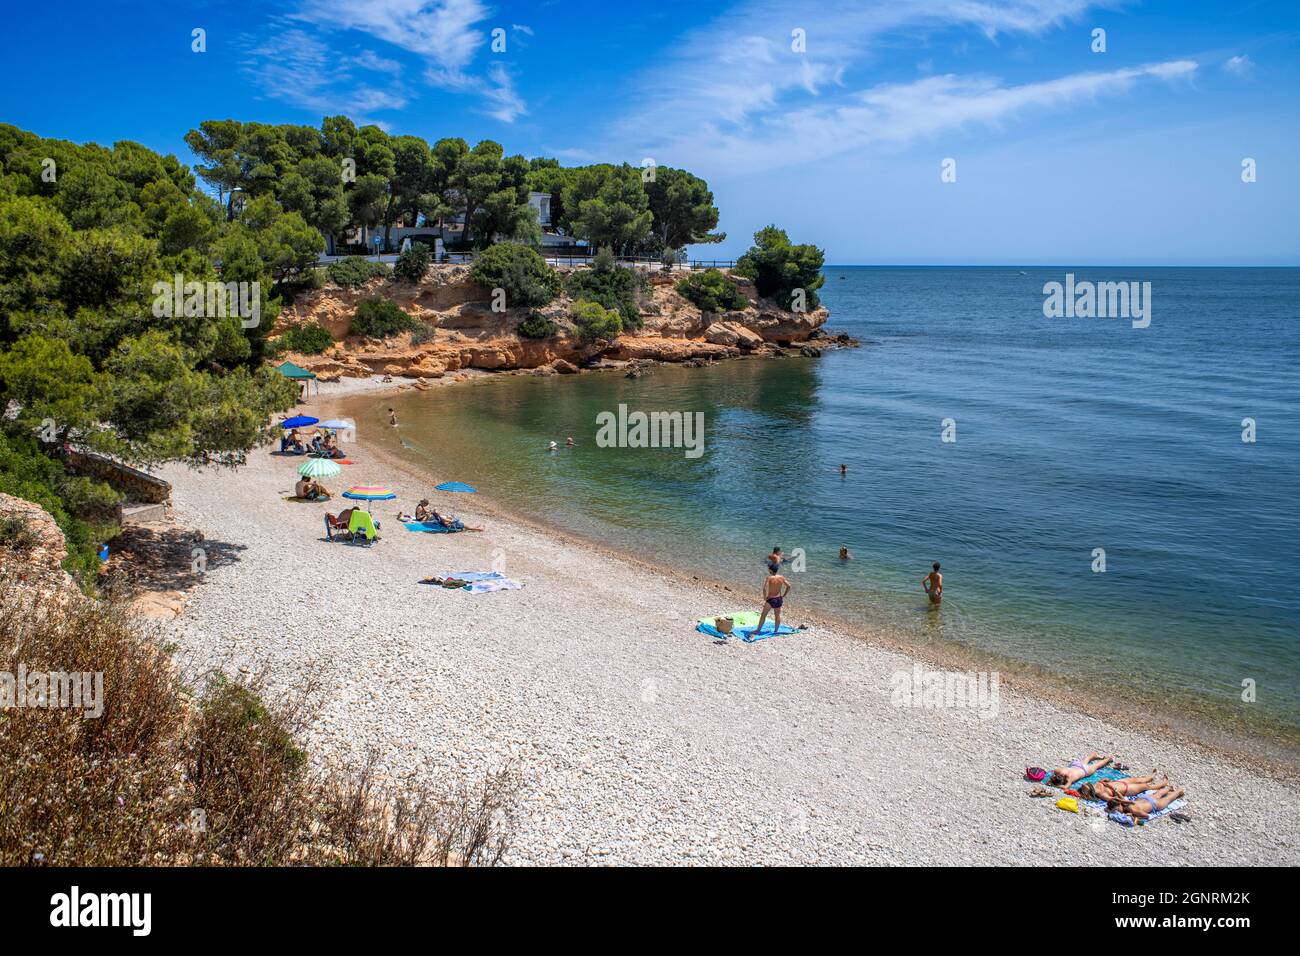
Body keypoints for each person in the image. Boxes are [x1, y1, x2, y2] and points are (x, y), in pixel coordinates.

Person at [1105, 783, 1185, 822]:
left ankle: (1179, 791)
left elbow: (1146, 816)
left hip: (1154, 804)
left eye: (1117, 810)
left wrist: (1133, 816)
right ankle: (1168, 788)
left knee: (1169, 799)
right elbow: (1117, 794)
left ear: (1119, 806)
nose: (1118, 812)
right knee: (1158, 794)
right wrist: (1112, 788)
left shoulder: (1133, 810)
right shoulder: (1123, 801)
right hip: (1146, 798)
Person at [756, 563, 791, 635]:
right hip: (779, 599)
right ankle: (776, 631)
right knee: (777, 615)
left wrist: (765, 597)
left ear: (770, 570)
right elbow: (789, 586)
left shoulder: (769, 578)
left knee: (763, 615)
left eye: (768, 569)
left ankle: (758, 630)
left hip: (771, 599)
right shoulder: (781, 577)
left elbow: (764, 588)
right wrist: (784, 595)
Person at [1047, 752, 1112, 788]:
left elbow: (1065, 787)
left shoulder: (1070, 778)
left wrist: (1056, 785)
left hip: (1085, 771)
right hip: (1076, 765)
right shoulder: (1058, 771)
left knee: (1097, 766)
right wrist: (1051, 780)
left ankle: (1108, 759)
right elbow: (1054, 774)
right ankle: (1094, 755)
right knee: (1086, 760)